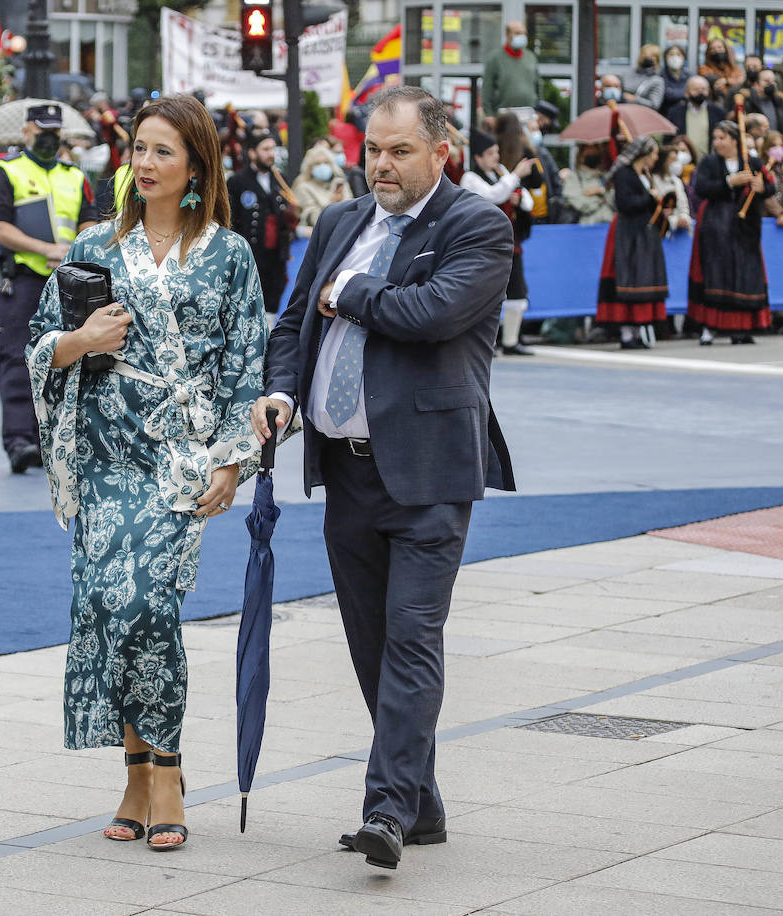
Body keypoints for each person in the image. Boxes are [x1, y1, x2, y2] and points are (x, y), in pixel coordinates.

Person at [255, 85, 514, 872]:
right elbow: (297, 321)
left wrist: (353, 293)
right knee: (371, 646)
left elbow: (432, 312)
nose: (382, 165)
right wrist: (280, 391)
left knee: (410, 640)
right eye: (374, 149)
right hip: (346, 473)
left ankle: (387, 809)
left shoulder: (478, 225)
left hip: (431, 473)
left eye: (400, 150)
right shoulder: (337, 221)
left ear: (442, 151)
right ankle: (422, 800)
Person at [26, 94, 266, 853]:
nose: (146, 164)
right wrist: (81, 340)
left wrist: (233, 459)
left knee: (149, 605)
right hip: (104, 450)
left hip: (179, 454)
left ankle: (167, 768)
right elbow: (40, 343)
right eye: (137, 149)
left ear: (196, 164)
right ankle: (137, 771)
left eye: (163, 151)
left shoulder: (230, 254)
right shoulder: (98, 244)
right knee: (106, 601)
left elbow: (244, 362)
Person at [0, 104, 98, 470]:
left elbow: (88, 223)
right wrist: (46, 249)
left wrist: (72, 252)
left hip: (67, 280)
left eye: (54, 130)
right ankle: (20, 441)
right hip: (23, 279)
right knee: (19, 360)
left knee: (67, 362)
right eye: (42, 129)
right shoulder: (7, 172)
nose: (49, 137)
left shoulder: (74, 175)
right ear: (26, 131)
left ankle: (54, 440)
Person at [688, 121, 772, 345]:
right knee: (716, 274)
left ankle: (741, 328)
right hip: (717, 224)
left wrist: (761, 187)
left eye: (722, 138)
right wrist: (729, 182)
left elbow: (769, 185)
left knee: (744, 274)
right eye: (715, 138)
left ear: (735, 140)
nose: (717, 143)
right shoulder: (709, 162)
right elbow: (702, 189)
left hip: (746, 227)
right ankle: (709, 327)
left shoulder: (752, 161)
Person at [460, 129, 535, 355]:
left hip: (508, 243)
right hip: (482, 244)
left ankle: (511, 342)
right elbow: (493, 195)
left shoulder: (500, 174)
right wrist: (515, 176)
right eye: (491, 153)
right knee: (483, 295)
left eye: (496, 152)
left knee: (517, 291)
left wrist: (518, 195)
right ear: (478, 158)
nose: (496, 157)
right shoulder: (470, 178)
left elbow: (528, 202)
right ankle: (482, 343)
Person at [596, 136, 668, 349]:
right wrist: (651, 198)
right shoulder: (624, 174)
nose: (656, 158)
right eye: (654, 153)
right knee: (627, 276)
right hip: (627, 232)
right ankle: (627, 334)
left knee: (641, 277)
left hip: (643, 231)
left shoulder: (644, 174)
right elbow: (625, 203)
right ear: (644, 155)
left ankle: (636, 331)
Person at [228, 132, 295, 319]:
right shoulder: (237, 181)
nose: (270, 154)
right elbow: (231, 221)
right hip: (251, 255)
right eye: (265, 149)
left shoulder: (280, 179)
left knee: (275, 297)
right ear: (252, 153)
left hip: (277, 254)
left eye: (272, 149)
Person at [481, 21, 542, 117]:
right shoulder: (495, 58)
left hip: (528, 115)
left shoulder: (531, 57)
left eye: (524, 33)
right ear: (507, 35)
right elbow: (487, 89)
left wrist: (539, 110)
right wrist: (489, 115)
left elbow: (538, 86)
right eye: (517, 33)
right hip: (504, 116)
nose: (522, 36)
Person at [292, 144, 350, 233]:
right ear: (310, 168)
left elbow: (352, 210)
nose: (323, 166)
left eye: (326, 162)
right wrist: (332, 204)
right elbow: (314, 220)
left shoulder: (340, 183)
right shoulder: (303, 188)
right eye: (317, 164)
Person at [668, 77, 727, 159]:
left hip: (710, 161)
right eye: (696, 89)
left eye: (703, 89)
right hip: (684, 162)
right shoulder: (675, 112)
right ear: (686, 93)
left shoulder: (718, 112)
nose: (700, 92)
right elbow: (669, 139)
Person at [562, 143, 615, 225]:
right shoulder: (573, 178)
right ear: (581, 154)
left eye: (595, 149)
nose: (592, 153)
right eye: (588, 150)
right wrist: (600, 200)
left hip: (610, 225)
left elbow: (616, 200)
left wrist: (601, 190)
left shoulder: (605, 176)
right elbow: (579, 203)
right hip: (587, 227)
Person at [651, 145, 693, 232]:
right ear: (663, 161)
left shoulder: (677, 181)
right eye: (672, 159)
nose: (675, 163)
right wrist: (674, 221)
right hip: (662, 229)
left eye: (676, 159)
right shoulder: (654, 180)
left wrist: (684, 218)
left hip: (680, 230)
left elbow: (684, 205)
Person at [746, 67, 783, 133]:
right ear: (756, 85)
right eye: (767, 81)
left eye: (773, 81)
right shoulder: (748, 103)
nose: (771, 84)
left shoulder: (779, 102)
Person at [630, 44, 666, 110]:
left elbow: (654, 105)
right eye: (645, 54)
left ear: (657, 60)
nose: (647, 57)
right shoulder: (629, 74)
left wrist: (635, 99)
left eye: (652, 56)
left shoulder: (657, 80)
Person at [660, 45, 691, 115]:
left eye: (678, 54)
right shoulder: (660, 76)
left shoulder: (689, 76)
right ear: (665, 58)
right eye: (671, 54)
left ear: (684, 57)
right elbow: (665, 96)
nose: (675, 58)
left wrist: (672, 93)